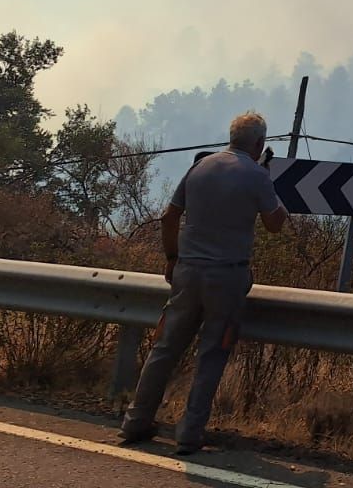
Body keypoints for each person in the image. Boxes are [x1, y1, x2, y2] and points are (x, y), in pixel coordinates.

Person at [119, 111, 288, 455]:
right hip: (226, 276)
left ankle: (136, 421)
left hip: (187, 272)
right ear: (259, 144)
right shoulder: (256, 174)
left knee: (164, 348)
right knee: (212, 353)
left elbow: (169, 216)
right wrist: (272, 188)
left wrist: (171, 257)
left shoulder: (201, 166)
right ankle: (189, 432)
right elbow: (275, 224)